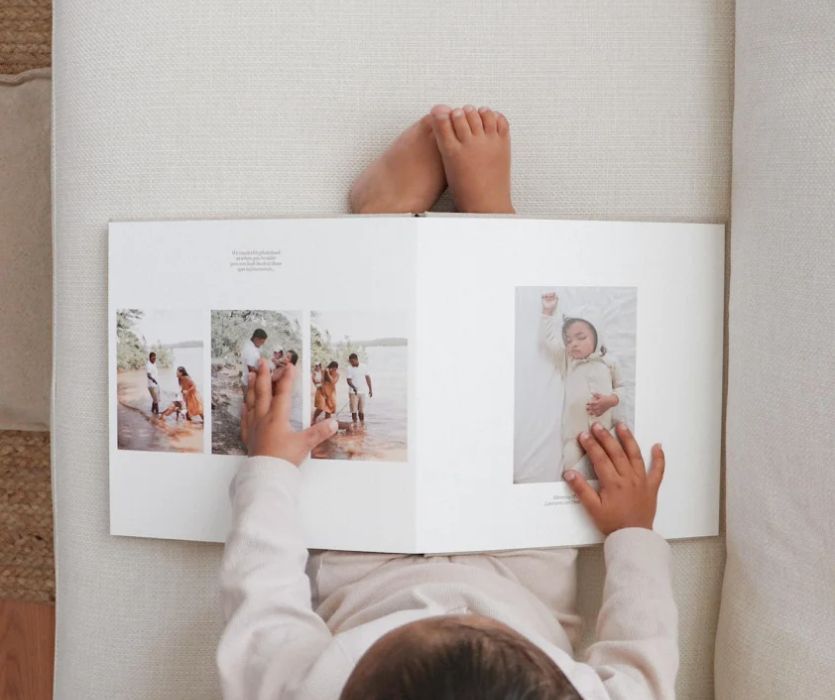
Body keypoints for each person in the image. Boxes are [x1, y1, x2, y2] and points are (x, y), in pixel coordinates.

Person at [218, 106, 677, 700]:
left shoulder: (290, 687)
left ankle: (382, 228)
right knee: (521, 395)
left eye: (428, 626)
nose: (453, 605)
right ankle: (490, 227)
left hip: (369, 572)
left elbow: (263, 593)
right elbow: (644, 659)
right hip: (522, 575)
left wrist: (270, 467)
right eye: (472, 623)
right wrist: (632, 533)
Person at [540, 292, 624, 480]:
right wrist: (547, 313)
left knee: (606, 471)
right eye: (568, 340)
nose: (573, 344)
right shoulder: (568, 361)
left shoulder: (609, 362)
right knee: (573, 472)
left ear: (597, 336)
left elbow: (621, 387)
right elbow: (549, 342)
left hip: (603, 434)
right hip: (574, 436)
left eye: (580, 337)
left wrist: (611, 400)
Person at [345, 353, 372, 424]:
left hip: (362, 392)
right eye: (350, 362)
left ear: (356, 359)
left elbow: (368, 378)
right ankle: (355, 424)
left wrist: (370, 389)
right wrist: (354, 387)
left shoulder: (364, 366)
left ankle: (362, 425)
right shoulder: (349, 368)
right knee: (354, 411)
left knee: (361, 411)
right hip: (353, 392)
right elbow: (348, 380)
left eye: (352, 361)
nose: (351, 363)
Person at [241, 329, 268, 394]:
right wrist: (264, 374)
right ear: (256, 339)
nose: (262, 344)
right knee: (248, 402)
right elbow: (250, 368)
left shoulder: (252, 345)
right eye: (261, 342)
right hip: (248, 383)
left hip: (247, 380)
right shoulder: (250, 350)